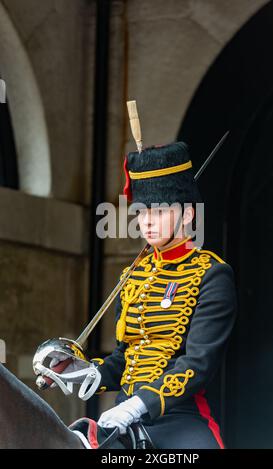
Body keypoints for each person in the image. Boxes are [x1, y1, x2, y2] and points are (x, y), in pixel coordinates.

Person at [48, 141, 238, 449]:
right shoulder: (133, 276)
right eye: (142, 212)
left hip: (181, 422)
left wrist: (138, 405)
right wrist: (82, 371)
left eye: (158, 212)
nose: (146, 222)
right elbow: (126, 359)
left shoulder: (212, 274)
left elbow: (198, 364)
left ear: (187, 214)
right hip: (121, 419)